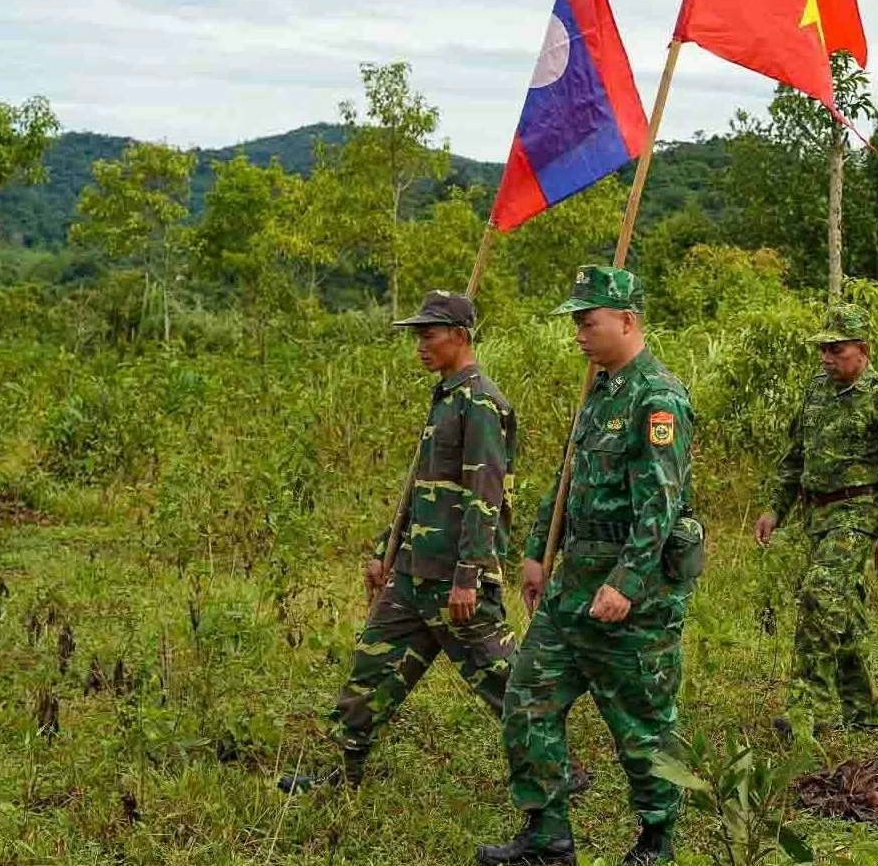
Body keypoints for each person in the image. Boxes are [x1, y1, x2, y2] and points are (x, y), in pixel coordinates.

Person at [480, 267, 701, 866]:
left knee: (640, 724)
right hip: (571, 585)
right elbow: (569, 475)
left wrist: (626, 584)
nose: (578, 333)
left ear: (627, 320)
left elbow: (662, 502)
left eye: (588, 321)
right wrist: (536, 551)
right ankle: (548, 837)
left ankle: (657, 838)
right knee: (527, 700)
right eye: (576, 322)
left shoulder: (658, 397)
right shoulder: (598, 390)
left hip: (631, 595)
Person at [280, 291, 523, 794]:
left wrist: (468, 576)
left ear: (459, 335)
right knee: (370, 673)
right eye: (417, 335)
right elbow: (423, 488)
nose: (420, 345)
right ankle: (341, 773)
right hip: (414, 574)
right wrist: (384, 550)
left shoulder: (481, 402)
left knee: (507, 687)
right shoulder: (446, 397)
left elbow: (486, 496)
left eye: (429, 334)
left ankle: (559, 777)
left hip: (457, 582)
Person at [753, 305, 878, 749]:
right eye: (822, 349)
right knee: (842, 609)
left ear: (862, 349)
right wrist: (774, 509)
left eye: (835, 349)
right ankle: (862, 711)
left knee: (819, 595)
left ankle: (811, 707)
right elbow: (794, 457)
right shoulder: (815, 392)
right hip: (816, 515)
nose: (826, 358)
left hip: (859, 512)